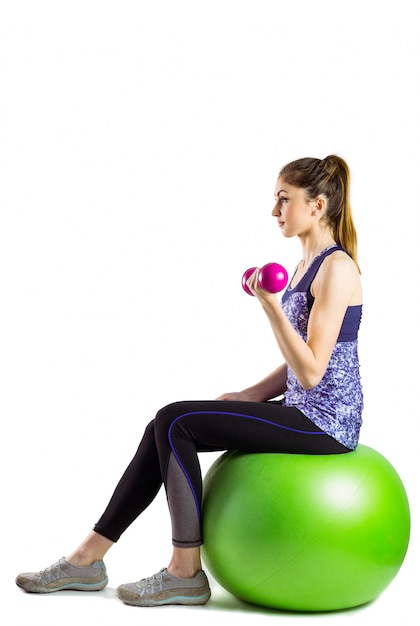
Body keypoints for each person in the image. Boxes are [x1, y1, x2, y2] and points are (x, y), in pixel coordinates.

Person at [16, 155, 363, 607]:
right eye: (274, 200)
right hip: (300, 409)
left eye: (284, 200)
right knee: (162, 424)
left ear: (317, 206)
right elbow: (311, 358)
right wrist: (250, 395)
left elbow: (314, 372)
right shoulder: (305, 265)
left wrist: (270, 306)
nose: (274, 211)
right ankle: (87, 558)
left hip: (327, 421)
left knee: (176, 421)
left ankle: (185, 571)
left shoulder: (337, 268)